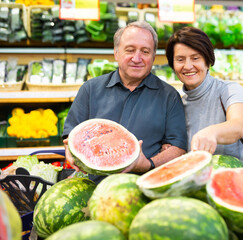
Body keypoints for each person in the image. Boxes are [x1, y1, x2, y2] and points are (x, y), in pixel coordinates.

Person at [62, 21, 188, 181]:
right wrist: (71, 149)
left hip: (145, 186)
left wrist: (148, 164)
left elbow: (178, 148)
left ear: (153, 56)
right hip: (93, 187)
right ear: (116, 53)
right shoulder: (90, 89)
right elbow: (71, 135)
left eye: (145, 51)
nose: (137, 58)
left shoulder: (169, 96)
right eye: (130, 50)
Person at [165, 26, 243, 169]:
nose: (188, 66)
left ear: (208, 61)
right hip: (209, 184)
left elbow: (237, 126)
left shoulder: (230, 89)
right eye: (180, 59)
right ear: (173, 64)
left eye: (195, 58)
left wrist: (211, 133)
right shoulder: (179, 106)